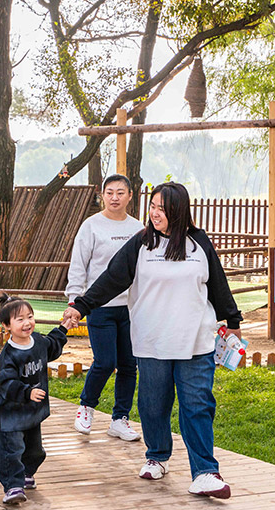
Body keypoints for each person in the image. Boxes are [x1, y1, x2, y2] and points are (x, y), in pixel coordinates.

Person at [64, 181, 241, 499]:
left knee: (198, 404)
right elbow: (111, 279)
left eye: (162, 208)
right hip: (152, 339)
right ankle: (157, 456)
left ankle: (205, 472)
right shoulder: (140, 244)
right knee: (153, 405)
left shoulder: (198, 242)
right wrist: (81, 305)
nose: (155, 213)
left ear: (178, 211)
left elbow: (217, 282)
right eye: (153, 206)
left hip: (196, 340)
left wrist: (234, 320)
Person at [66, 174, 143, 440]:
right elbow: (79, 264)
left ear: (130, 196)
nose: (114, 198)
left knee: (129, 364)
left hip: (130, 308)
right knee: (105, 361)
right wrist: (75, 300)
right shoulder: (91, 226)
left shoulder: (139, 228)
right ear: (102, 195)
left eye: (120, 192)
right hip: (99, 305)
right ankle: (86, 406)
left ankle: (120, 419)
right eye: (109, 192)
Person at [0, 292, 78, 504]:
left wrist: (64, 327)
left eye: (30, 317)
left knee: (34, 449)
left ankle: (26, 474)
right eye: (20, 319)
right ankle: (13, 486)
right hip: (12, 415)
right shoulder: (9, 355)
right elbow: (5, 384)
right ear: (6, 326)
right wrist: (27, 392)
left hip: (32, 412)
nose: (27, 323)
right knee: (11, 451)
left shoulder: (37, 341)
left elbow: (52, 345)